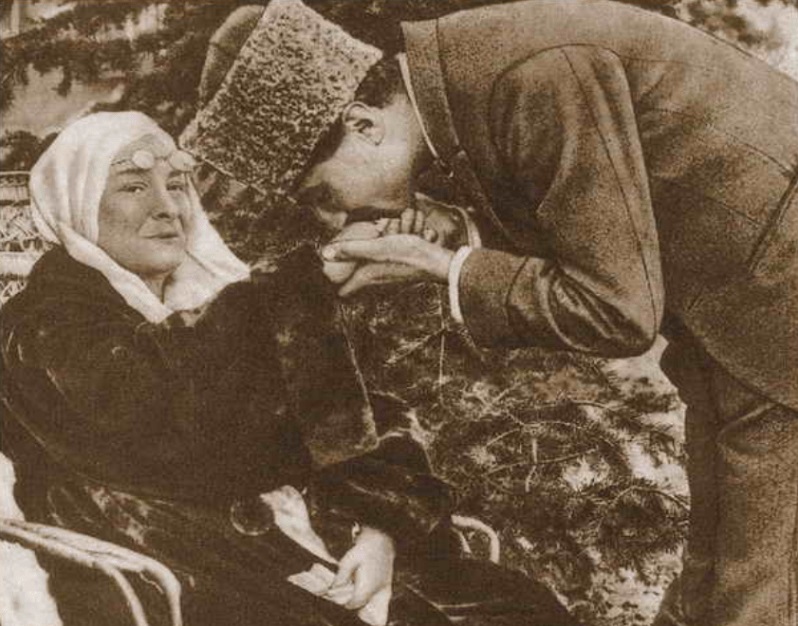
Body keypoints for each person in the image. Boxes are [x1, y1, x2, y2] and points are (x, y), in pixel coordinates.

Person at [182, 1, 798, 626]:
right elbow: (600, 220)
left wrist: (443, 266)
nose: (336, 220)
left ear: (362, 124)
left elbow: (618, 311)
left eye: (322, 195)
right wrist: (458, 234)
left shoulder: (532, 79)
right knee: (712, 586)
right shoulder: (467, 76)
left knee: (758, 599)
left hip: (776, 328)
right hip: (744, 331)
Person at [0, 111, 579, 626]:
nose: (167, 207)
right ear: (77, 205)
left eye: (176, 185)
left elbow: (361, 416)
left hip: (322, 554)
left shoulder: (213, 297)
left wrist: (379, 528)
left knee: (522, 610)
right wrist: (308, 280)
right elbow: (162, 407)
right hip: (197, 573)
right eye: (133, 186)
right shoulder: (41, 327)